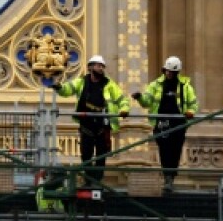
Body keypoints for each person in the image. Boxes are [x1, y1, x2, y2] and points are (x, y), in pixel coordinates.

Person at [51, 54, 130, 186]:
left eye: (102, 66)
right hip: (86, 126)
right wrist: (59, 87)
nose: (101, 68)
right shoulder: (82, 82)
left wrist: (124, 109)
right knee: (86, 155)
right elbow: (68, 89)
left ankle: (97, 181)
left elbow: (122, 99)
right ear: (90, 67)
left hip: (102, 126)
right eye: (98, 66)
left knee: (101, 156)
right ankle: (88, 181)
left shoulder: (109, 84)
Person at [132, 56, 199, 193]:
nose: (167, 73)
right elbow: (147, 102)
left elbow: (193, 103)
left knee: (175, 151)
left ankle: (171, 177)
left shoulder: (185, 86)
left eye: (170, 71)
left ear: (176, 72)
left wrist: (191, 112)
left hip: (178, 123)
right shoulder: (156, 85)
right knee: (164, 149)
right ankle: (167, 176)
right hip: (161, 122)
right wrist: (140, 98)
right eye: (166, 70)